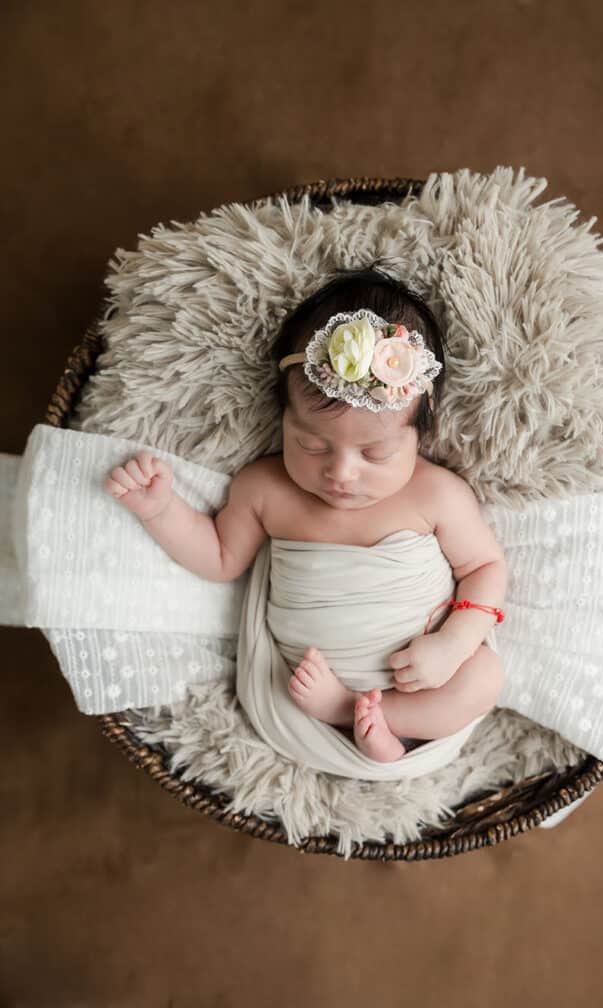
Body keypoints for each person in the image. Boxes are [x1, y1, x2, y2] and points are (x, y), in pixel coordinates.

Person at [103, 266, 507, 765]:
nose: (340, 472)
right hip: (302, 691)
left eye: (374, 454)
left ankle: (377, 716)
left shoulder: (436, 494)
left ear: (420, 433)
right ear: (283, 420)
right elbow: (220, 558)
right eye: (310, 444)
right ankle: (349, 715)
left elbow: (485, 568)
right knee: (475, 677)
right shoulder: (266, 488)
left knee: (485, 676)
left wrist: (454, 642)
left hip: (424, 681)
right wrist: (161, 509)